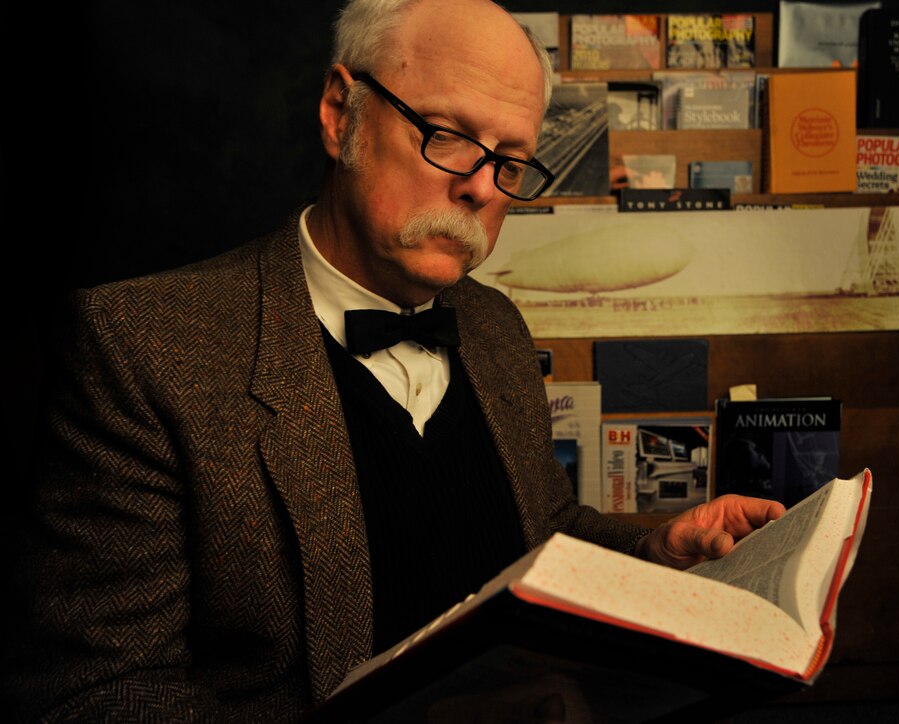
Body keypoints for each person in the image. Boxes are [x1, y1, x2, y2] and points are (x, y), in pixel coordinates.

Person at [4, 1, 785, 721]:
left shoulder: (495, 326)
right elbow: (96, 695)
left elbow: (542, 532)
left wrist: (652, 551)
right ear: (341, 113)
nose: (482, 187)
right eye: (447, 134)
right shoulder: (143, 346)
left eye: (511, 162)